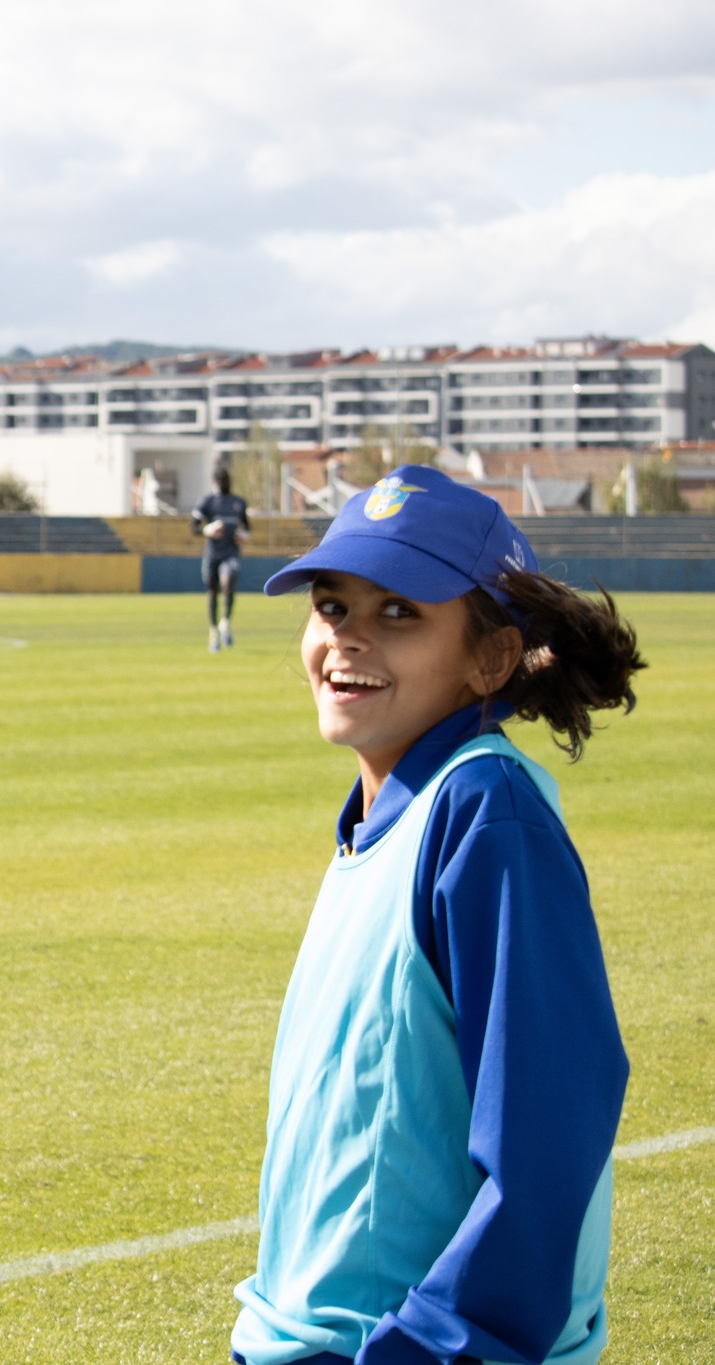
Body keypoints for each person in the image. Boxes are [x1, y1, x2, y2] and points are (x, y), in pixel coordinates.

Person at [232, 466, 639, 1365]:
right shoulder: (383, 820)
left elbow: (549, 1135)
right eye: (333, 606)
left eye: (400, 612)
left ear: (490, 657)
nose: (347, 640)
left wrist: (436, 1343)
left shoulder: (484, 813)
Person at [192, 464, 249, 651]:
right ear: (215, 482)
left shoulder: (238, 503)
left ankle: (225, 621)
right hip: (212, 553)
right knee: (212, 592)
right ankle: (213, 630)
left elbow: (247, 527)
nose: (224, 484)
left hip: (230, 552)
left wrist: (244, 535)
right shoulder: (207, 502)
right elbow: (193, 528)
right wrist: (207, 530)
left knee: (229, 582)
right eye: (221, 481)